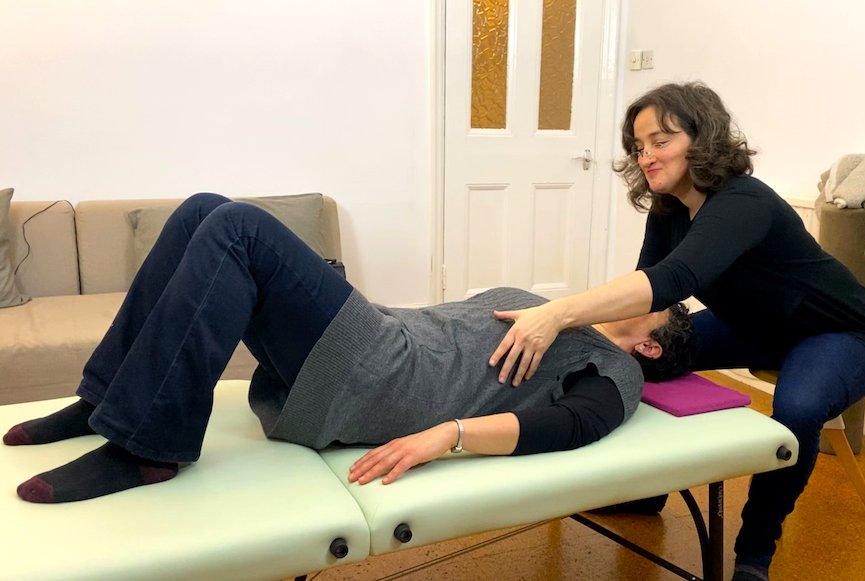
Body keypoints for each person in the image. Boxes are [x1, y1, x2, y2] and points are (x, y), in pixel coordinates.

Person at [4, 193, 695, 504]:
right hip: (378, 335)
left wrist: (447, 436)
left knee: (238, 227)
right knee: (201, 211)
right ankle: (104, 401)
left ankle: (147, 448)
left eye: (653, 297)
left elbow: (571, 427)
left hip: (386, 376)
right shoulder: (564, 312)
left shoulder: (613, 370)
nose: (637, 287)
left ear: (651, 346)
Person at [487, 82, 865, 581]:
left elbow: (674, 279)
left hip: (839, 333)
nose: (646, 157)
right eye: (639, 147)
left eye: (661, 141)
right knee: (637, 358)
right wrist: (607, 338)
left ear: (702, 139)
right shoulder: (668, 209)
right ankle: (646, 490)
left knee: (798, 410)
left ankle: (754, 555)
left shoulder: (744, 202)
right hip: (753, 326)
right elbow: (647, 294)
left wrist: (559, 313)